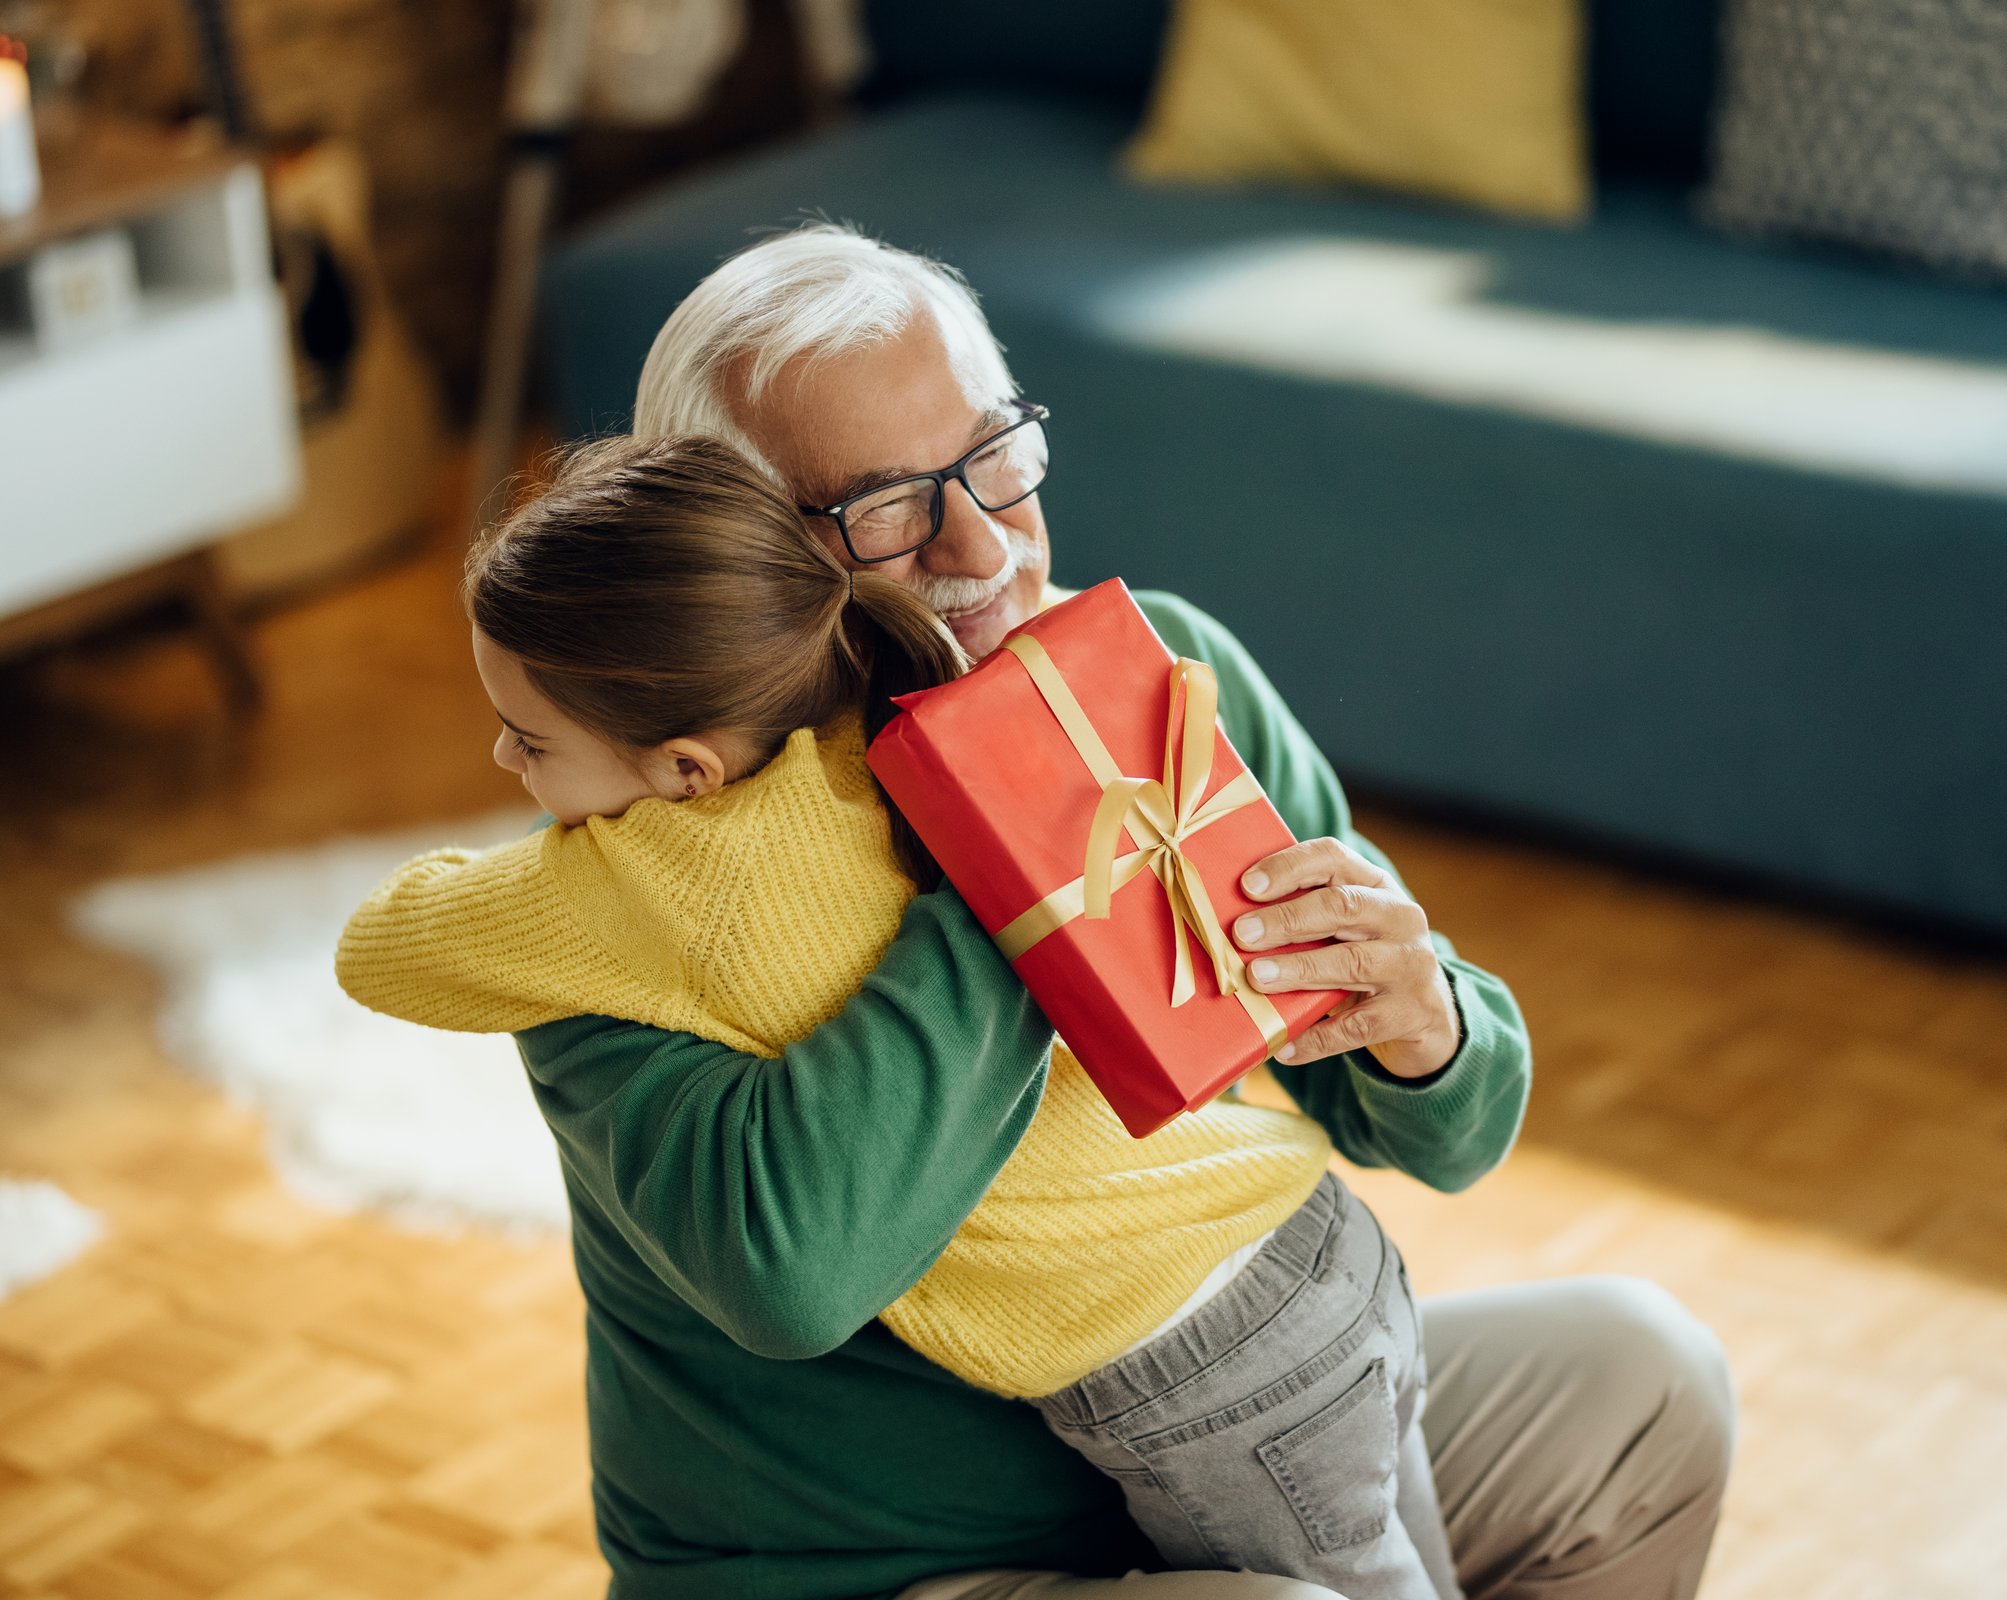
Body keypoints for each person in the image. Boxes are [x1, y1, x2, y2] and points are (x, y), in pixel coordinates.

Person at [504, 221, 1735, 1600]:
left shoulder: (1165, 676)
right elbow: (789, 1278)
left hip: (1216, 1438)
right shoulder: (623, 871)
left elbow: (1448, 1134)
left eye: (992, 459)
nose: (980, 545)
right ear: (739, 553)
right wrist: (1019, 851)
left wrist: (1424, 1026)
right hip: (876, 1572)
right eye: (886, 507)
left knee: (1644, 1381)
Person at [336, 434, 1459, 1600]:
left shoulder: (636, 884)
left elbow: (380, 946)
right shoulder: (913, 743)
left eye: (530, 738)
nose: (502, 756)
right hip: (1313, 1236)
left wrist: (560, 852)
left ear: (684, 770)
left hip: (1210, 1376)